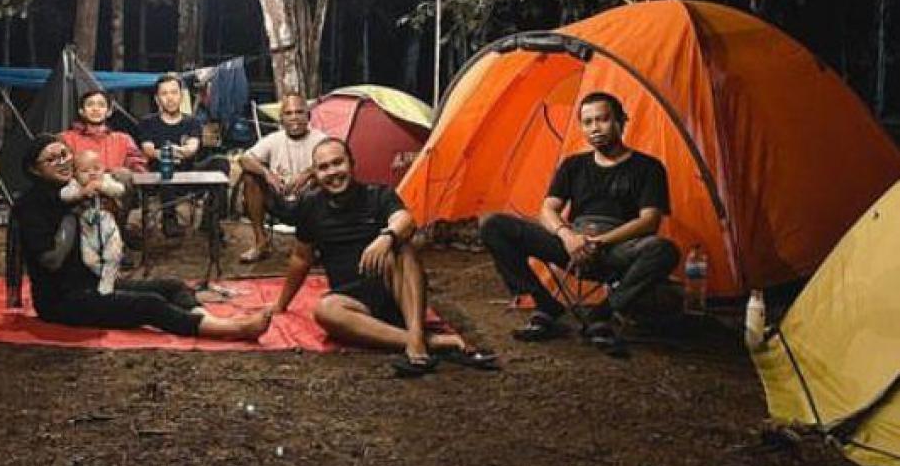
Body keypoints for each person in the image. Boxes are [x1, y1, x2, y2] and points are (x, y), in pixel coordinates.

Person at [271, 137, 496, 377]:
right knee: (324, 310)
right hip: (353, 304)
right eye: (323, 167)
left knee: (403, 249)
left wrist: (387, 236)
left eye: (338, 163)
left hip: (395, 294)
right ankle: (428, 341)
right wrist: (280, 304)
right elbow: (301, 258)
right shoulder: (310, 206)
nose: (333, 172)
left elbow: (405, 220)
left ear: (352, 163)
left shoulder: (378, 195)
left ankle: (416, 341)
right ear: (315, 174)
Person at [11, 135, 270, 341]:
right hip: (63, 300)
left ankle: (213, 323)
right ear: (34, 169)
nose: (62, 162)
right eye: (51, 159)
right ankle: (233, 330)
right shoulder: (32, 205)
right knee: (149, 304)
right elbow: (52, 260)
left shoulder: (77, 188)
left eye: (64, 154)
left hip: (97, 282)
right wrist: (72, 215)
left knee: (172, 286)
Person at [478, 90, 680, 355]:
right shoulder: (574, 165)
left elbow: (649, 221)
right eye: (587, 122)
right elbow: (548, 209)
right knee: (493, 225)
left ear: (621, 121)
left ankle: (603, 313)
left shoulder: (648, 167)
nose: (595, 128)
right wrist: (568, 237)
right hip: (572, 245)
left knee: (664, 250)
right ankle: (545, 304)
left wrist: (599, 242)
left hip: (617, 248)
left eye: (603, 119)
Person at [237, 93, 328, 263]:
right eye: (289, 113)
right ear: (281, 119)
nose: (294, 117)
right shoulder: (273, 139)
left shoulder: (322, 140)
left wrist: (309, 173)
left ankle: (314, 245)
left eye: (299, 112)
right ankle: (261, 242)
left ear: (308, 116)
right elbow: (244, 159)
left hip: (309, 201)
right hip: (278, 198)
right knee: (250, 178)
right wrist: (267, 174)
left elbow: (336, 163)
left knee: (323, 181)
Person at [137, 73, 230, 237]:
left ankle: (211, 220)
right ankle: (169, 220)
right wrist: (166, 153)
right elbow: (148, 149)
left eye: (174, 92)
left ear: (181, 96)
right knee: (166, 164)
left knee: (220, 162)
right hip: (160, 177)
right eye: (164, 94)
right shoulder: (148, 122)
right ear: (157, 99)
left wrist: (180, 151)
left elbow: (192, 147)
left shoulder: (192, 122)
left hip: (189, 173)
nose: (170, 98)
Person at [59, 149, 125, 295]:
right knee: (89, 259)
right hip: (87, 231)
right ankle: (107, 276)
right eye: (85, 171)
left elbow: (120, 189)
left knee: (113, 254)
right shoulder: (75, 184)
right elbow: (64, 195)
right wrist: (81, 193)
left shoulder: (106, 180)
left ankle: (106, 287)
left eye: (96, 168)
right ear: (75, 174)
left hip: (109, 227)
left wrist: (102, 187)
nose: (92, 173)